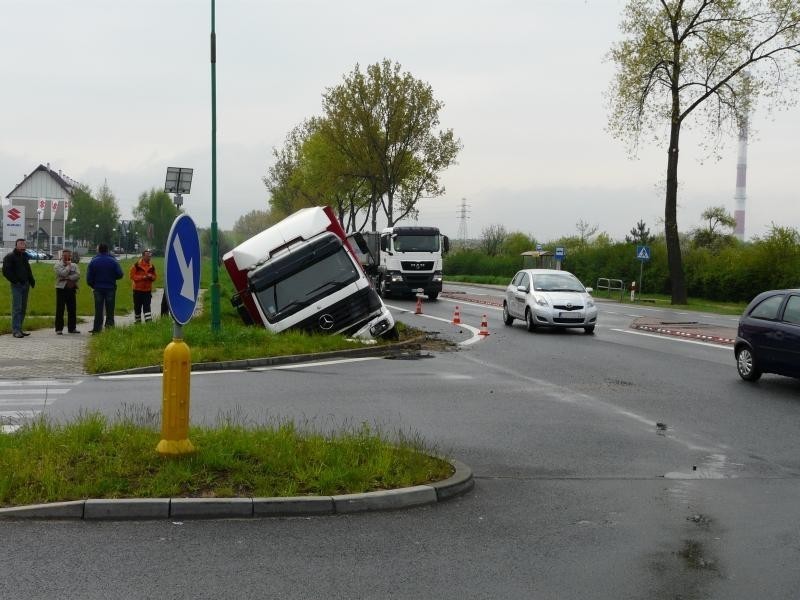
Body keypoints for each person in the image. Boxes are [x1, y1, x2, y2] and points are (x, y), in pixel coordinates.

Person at [86, 243, 123, 334]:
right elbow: (120, 274)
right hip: (110, 287)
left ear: (99, 250)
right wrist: (113, 278)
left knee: (98, 309)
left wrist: (93, 285)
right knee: (110, 309)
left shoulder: (94, 261)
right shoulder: (113, 261)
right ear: (107, 250)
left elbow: (89, 278)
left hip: (98, 288)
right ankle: (109, 328)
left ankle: (97, 329)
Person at [2, 239, 36, 338]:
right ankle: (16, 330)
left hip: (26, 285)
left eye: (24, 244)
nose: (23, 245)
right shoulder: (10, 257)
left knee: (23, 308)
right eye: (20, 244)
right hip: (17, 286)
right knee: (17, 308)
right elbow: (6, 271)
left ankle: (19, 328)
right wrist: (15, 281)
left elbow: (28, 269)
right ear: (16, 245)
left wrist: (31, 280)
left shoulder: (25, 256)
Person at [54, 249, 80, 334]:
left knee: (72, 309)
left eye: (68, 255)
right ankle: (59, 329)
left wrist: (68, 278)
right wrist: (68, 267)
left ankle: (72, 328)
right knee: (60, 309)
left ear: (70, 256)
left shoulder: (75, 265)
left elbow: (77, 275)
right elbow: (63, 273)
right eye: (64, 255)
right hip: (61, 289)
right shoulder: (57, 265)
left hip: (71, 288)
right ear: (62, 256)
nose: (66, 257)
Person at [129, 248, 157, 323]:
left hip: (147, 291)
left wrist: (151, 277)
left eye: (150, 256)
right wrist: (142, 277)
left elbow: (155, 277)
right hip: (137, 290)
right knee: (137, 307)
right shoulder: (136, 265)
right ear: (143, 256)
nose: (149, 257)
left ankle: (149, 323)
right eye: (147, 256)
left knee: (147, 307)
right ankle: (137, 322)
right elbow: (132, 276)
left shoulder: (152, 266)